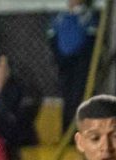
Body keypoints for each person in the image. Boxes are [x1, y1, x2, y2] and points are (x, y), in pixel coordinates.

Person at [49, 0, 99, 130]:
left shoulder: (87, 16)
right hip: (65, 64)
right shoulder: (60, 16)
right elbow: (52, 38)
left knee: (78, 97)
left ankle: (78, 130)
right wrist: (60, 58)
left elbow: (91, 41)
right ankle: (67, 131)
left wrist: (80, 59)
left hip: (80, 65)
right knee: (67, 98)